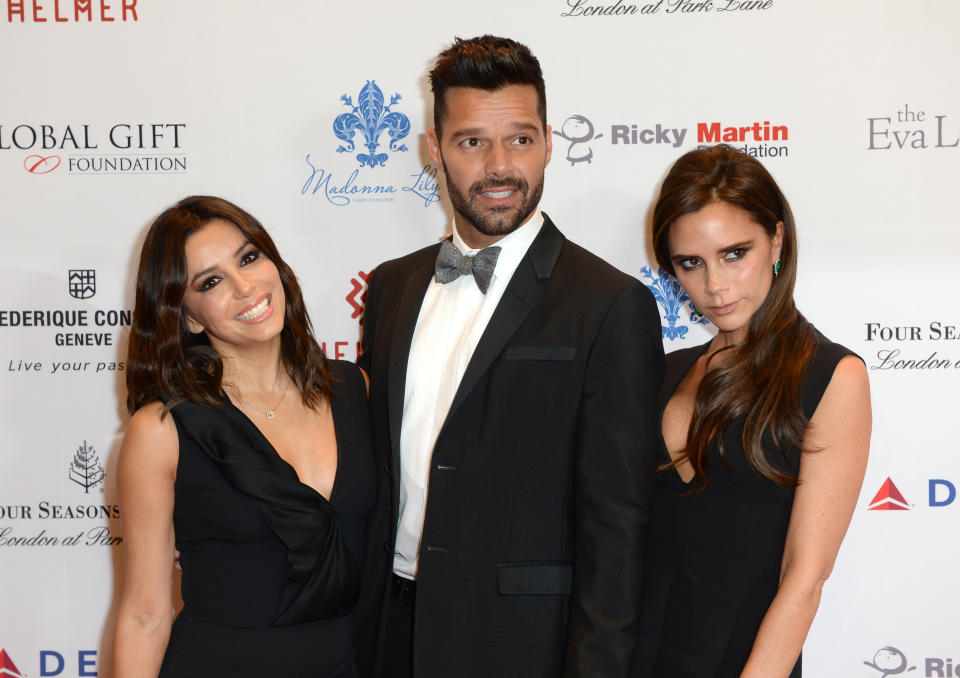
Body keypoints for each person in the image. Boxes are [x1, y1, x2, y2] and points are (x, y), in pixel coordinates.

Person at [355, 35, 664, 678]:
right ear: (433, 150)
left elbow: (617, 528)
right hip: (390, 631)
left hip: (523, 645)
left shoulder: (611, 304)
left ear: (548, 143)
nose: (500, 166)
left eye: (520, 139)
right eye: (471, 142)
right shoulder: (390, 287)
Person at [632, 144, 871, 678]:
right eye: (690, 263)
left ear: (777, 240)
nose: (714, 286)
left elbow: (804, 576)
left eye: (734, 253)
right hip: (638, 653)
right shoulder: (662, 371)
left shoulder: (831, 377)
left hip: (745, 661)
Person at [112, 196, 375, 678]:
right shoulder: (163, 429)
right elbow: (144, 614)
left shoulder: (354, 390)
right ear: (189, 316)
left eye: (249, 258)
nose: (245, 286)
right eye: (210, 282)